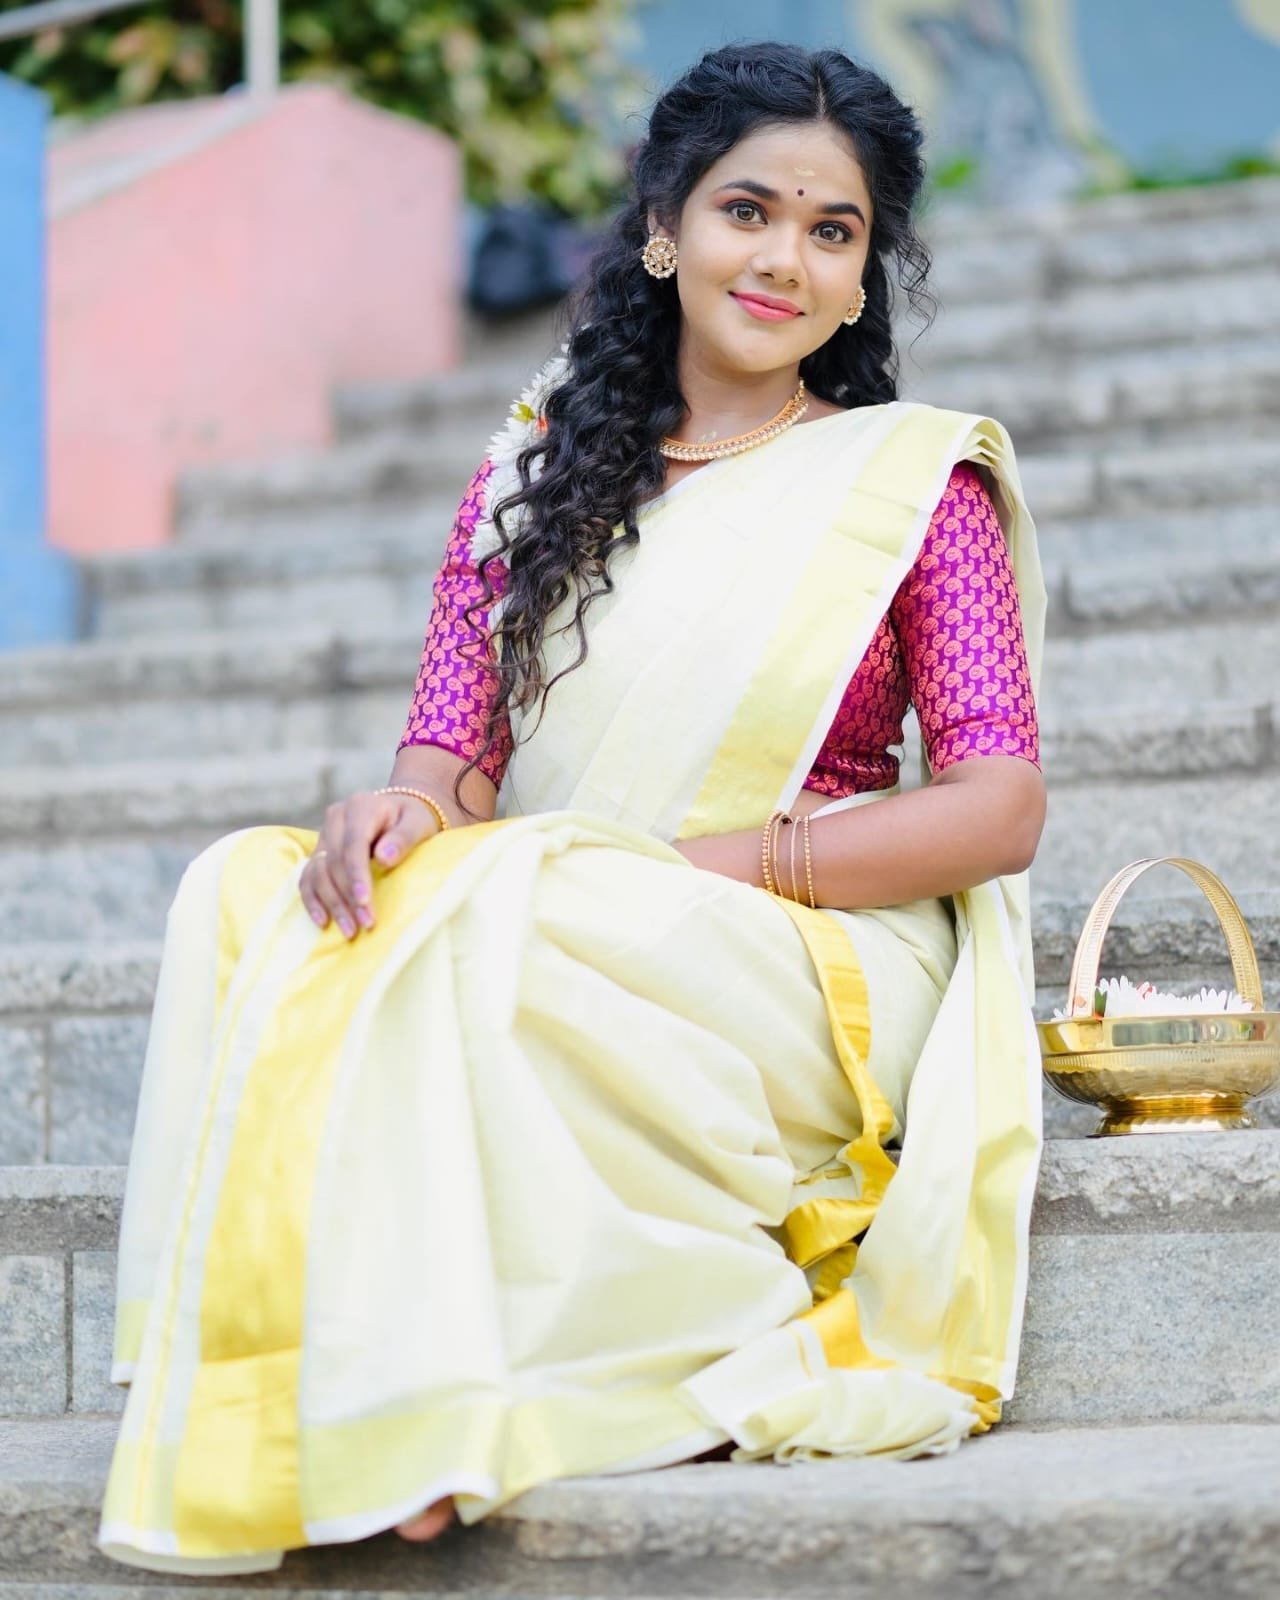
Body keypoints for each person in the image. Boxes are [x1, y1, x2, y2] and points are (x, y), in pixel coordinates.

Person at [98, 40, 1047, 1577]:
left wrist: (713, 864)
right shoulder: (533, 474)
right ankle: (305, 1382)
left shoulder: (908, 485)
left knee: (504, 911)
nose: (786, 260)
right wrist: (398, 815)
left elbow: (998, 807)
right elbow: (450, 756)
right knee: (248, 891)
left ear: (864, 276)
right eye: (749, 211)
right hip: (561, 906)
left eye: (834, 231)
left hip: (804, 943)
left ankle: (426, 1398)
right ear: (665, 227)